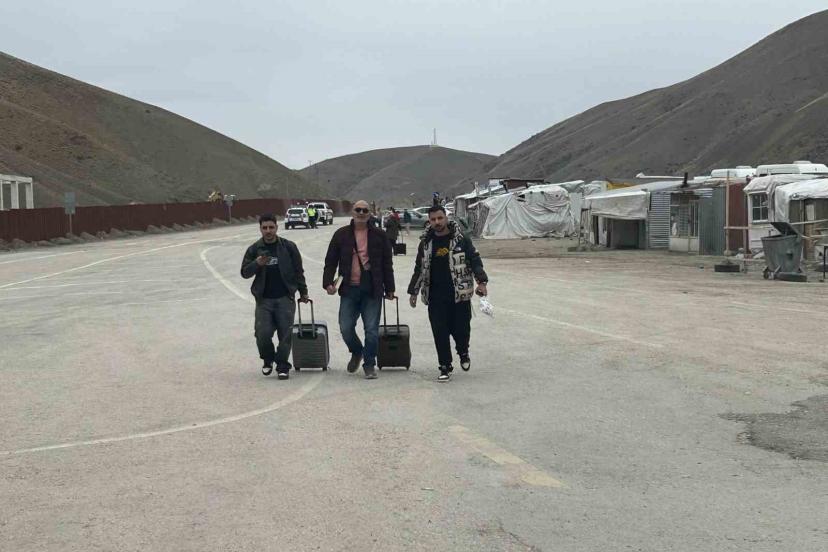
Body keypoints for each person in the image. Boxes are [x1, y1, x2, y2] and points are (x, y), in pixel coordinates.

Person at [408, 205, 488, 382]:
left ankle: (463, 351)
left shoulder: (461, 239)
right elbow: (419, 268)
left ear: (446, 218)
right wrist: (413, 291)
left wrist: (481, 282)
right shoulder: (426, 243)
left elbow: (475, 260)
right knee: (440, 332)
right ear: (429, 221)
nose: (437, 222)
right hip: (435, 297)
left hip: (459, 295)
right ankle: (445, 366)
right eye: (433, 219)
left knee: (462, 330)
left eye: (440, 218)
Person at [323, 200, 396, 379]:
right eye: (358, 210)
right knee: (345, 327)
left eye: (365, 210)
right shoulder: (341, 234)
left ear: (370, 213)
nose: (361, 213)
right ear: (352, 212)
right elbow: (331, 261)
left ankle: (369, 364)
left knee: (371, 330)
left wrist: (390, 288)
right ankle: (357, 351)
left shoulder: (380, 235)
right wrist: (328, 283)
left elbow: (387, 263)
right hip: (349, 289)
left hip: (372, 289)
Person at [241, 214, 309, 379]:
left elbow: (298, 271)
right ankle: (268, 359)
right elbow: (244, 273)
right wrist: (257, 263)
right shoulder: (254, 249)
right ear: (260, 229)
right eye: (265, 228)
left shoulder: (289, 247)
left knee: (285, 335)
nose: (268, 231)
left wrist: (303, 292)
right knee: (262, 334)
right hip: (264, 300)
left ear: (277, 228)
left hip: (285, 298)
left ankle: (282, 365)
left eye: (271, 227)